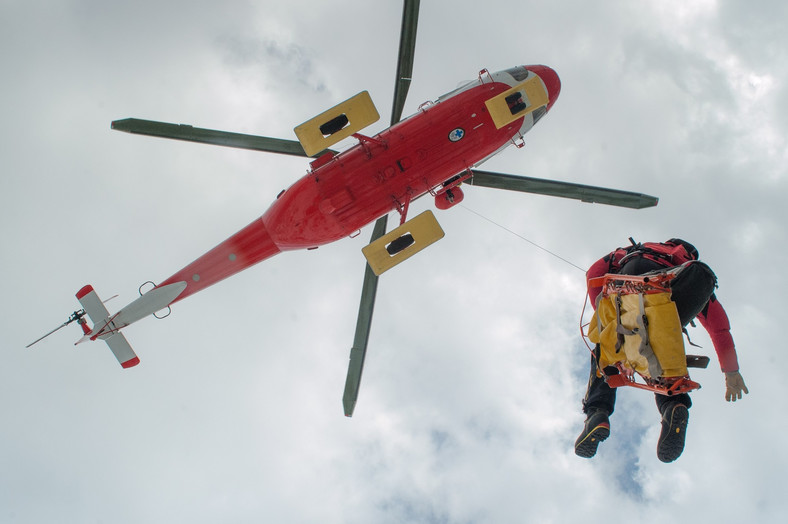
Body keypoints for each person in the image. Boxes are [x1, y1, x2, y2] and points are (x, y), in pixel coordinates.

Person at [574, 238, 748, 463]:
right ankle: (673, 405)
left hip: (627, 294)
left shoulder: (631, 251)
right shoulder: (685, 266)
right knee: (661, 349)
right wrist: (731, 372)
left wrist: (603, 316)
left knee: (607, 344)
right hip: (667, 296)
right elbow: (719, 328)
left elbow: (594, 272)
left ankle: (597, 413)